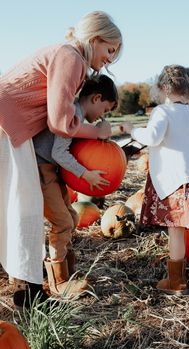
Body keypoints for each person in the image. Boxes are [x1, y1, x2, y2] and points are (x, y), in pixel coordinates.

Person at [0, 11, 122, 307]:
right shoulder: (72, 58)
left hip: (10, 125)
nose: (110, 58)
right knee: (25, 208)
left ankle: (24, 283)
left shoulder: (66, 55)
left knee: (15, 205)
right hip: (7, 126)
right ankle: (29, 291)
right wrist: (96, 131)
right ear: (94, 39)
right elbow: (59, 122)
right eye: (110, 50)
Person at [120, 65, 189, 295]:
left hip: (178, 182)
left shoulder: (163, 112)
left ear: (163, 88)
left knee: (176, 230)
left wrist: (134, 130)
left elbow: (153, 138)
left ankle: (177, 281)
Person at [32, 74, 118, 297]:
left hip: (52, 170)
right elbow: (58, 152)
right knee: (61, 222)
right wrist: (85, 174)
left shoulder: (78, 114)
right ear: (96, 98)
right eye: (105, 110)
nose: (102, 116)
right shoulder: (72, 114)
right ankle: (58, 282)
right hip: (42, 169)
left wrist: (102, 130)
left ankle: (69, 271)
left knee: (71, 218)